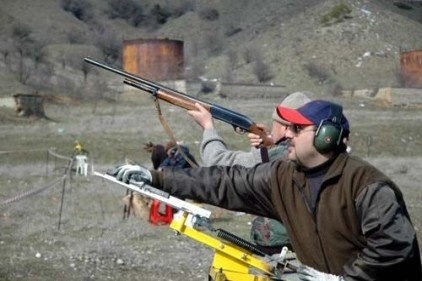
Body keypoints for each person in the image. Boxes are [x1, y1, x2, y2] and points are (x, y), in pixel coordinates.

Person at [109, 100, 422, 280]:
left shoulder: (367, 185)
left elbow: (394, 249)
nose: (287, 134)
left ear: (327, 136)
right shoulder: (283, 176)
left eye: (297, 129)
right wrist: (157, 178)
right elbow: (223, 181)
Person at [187, 91, 312, 254]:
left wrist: (208, 127)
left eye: (276, 122)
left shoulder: (275, 155)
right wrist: (270, 143)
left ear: (286, 127)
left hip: (278, 245)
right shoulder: (316, 151)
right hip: (308, 243)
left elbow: (217, 162)